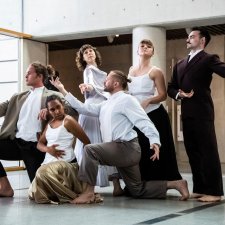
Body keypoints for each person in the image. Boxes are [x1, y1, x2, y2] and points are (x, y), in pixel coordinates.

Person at [51, 70, 189, 204]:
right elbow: (83, 109)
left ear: (116, 83)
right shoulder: (106, 103)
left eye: (107, 79)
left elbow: (143, 121)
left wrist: (154, 141)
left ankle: (88, 193)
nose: (104, 81)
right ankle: (176, 184)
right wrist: (63, 90)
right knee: (137, 189)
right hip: (121, 151)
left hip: (127, 148)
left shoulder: (127, 100)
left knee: (90, 150)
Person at [0, 62, 76, 197]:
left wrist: (50, 110)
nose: (25, 75)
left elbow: (71, 110)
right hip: (16, 143)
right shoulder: (18, 96)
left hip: (36, 147)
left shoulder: (52, 95)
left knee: (39, 193)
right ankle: (5, 187)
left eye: (29, 73)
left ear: (39, 76)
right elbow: (2, 108)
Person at [167, 27, 225, 202]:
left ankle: (215, 192)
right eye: (188, 37)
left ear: (202, 40)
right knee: (193, 152)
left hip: (202, 111)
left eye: (192, 37)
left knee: (208, 151)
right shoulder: (180, 64)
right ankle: (200, 188)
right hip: (186, 113)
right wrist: (179, 94)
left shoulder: (208, 59)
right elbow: (171, 87)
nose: (188, 39)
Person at [63, 44, 120, 194]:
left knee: (101, 143)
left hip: (102, 108)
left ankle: (104, 185)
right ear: (82, 58)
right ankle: (110, 186)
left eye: (91, 51)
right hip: (91, 109)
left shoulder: (103, 72)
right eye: (85, 53)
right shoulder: (88, 70)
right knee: (98, 143)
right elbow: (90, 84)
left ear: (95, 53)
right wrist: (88, 87)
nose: (89, 53)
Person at [29, 95, 101, 204]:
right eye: (52, 109)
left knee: (41, 173)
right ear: (48, 111)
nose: (57, 111)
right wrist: (48, 149)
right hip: (49, 162)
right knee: (32, 193)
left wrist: (83, 164)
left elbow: (87, 142)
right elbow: (39, 144)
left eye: (58, 107)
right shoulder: (49, 124)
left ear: (63, 105)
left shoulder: (68, 121)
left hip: (66, 164)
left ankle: (72, 195)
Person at [128, 39, 182, 181]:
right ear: (137, 50)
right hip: (137, 114)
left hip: (155, 114)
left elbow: (163, 95)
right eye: (142, 46)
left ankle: (159, 181)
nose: (145, 48)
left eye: (149, 46)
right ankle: (141, 181)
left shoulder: (156, 71)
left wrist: (149, 100)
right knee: (140, 147)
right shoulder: (131, 70)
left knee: (155, 147)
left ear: (152, 52)